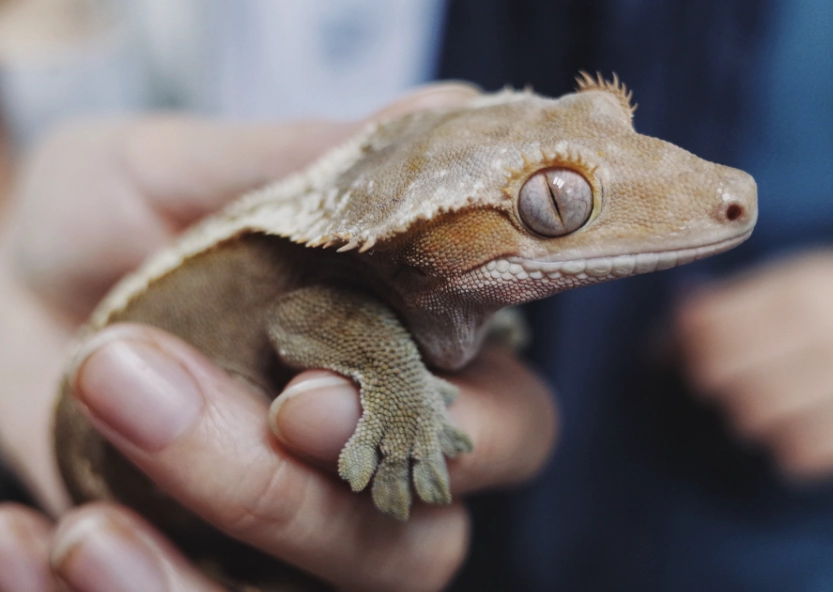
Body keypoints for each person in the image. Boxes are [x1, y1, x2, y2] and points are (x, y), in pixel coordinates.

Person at [2, 0, 833, 591]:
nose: (728, 196)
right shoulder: (344, 265)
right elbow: (303, 314)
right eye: (556, 205)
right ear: (428, 242)